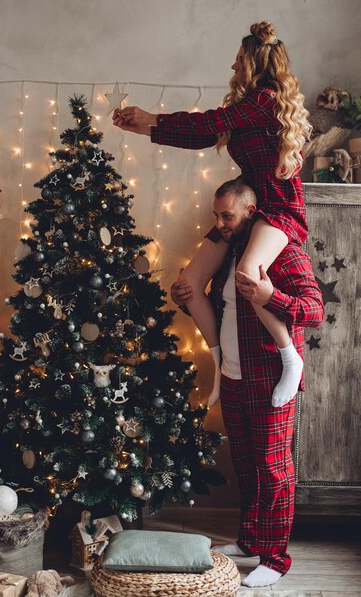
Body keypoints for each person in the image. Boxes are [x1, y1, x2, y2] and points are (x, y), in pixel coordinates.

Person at [112, 20, 312, 411]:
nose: (234, 68)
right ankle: (220, 365)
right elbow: (204, 134)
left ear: (256, 64)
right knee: (189, 283)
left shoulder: (264, 100)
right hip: (248, 209)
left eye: (240, 61)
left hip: (277, 208)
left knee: (247, 275)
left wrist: (153, 117)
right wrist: (146, 129)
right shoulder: (245, 108)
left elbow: (208, 123)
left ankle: (290, 357)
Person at [171, 178, 324, 587]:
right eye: (216, 215)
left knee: (275, 472)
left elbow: (314, 310)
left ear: (250, 213)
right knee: (247, 468)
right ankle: (251, 540)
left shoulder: (283, 254)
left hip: (271, 380)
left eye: (227, 216)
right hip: (233, 377)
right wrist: (183, 296)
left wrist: (270, 295)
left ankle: (275, 558)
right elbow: (220, 313)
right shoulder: (230, 255)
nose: (219, 223)